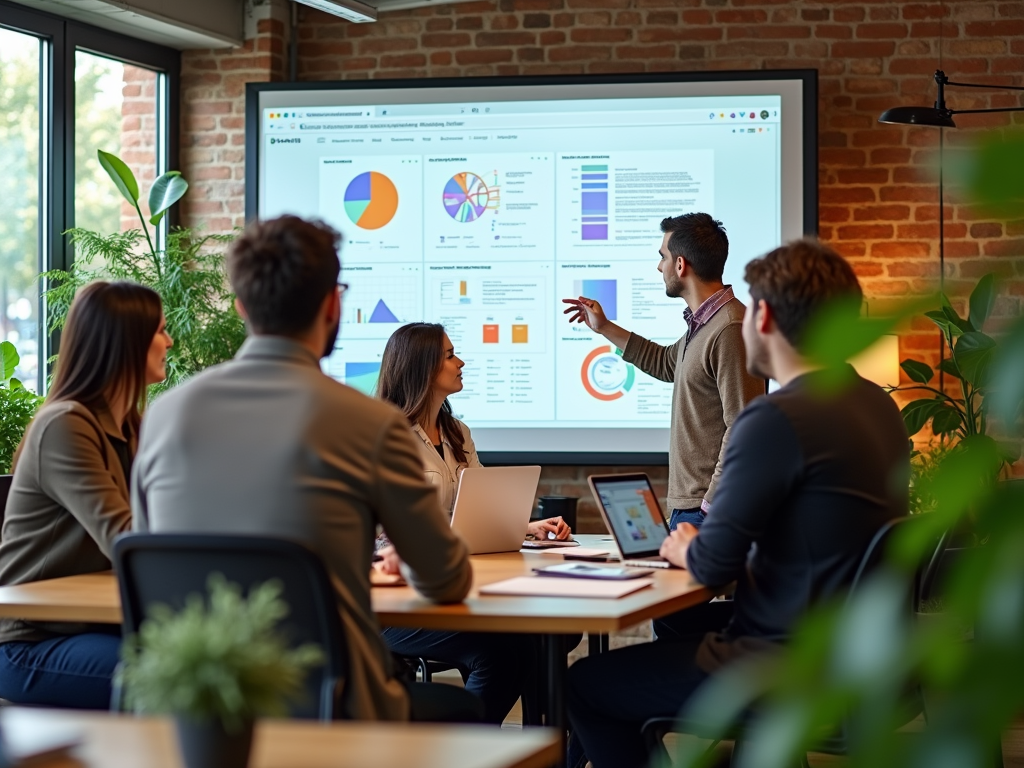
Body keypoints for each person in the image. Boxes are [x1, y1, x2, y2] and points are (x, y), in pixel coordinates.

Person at [565, 239, 910, 768]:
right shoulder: (877, 404)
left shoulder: (776, 419)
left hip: (781, 660)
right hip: (856, 650)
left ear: (764, 316)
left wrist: (684, 545)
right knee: (680, 629)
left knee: (585, 684)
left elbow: (713, 564)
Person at [132, 215, 478, 723]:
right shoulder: (371, 425)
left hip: (189, 709)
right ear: (332, 304)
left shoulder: (163, 416)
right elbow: (448, 580)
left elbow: (151, 557)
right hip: (329, 705)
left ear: (241, 306)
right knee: (466, 712)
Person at [374, 322, 570, 724]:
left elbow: (475, 509)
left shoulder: (457, 431)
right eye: (449, 355)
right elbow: (383, 533)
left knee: (540, 641)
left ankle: (542, 751)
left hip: (453, 589)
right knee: (500, 654)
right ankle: (465, 750)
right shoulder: (385, 437)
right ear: (423, 367)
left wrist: (524, 527)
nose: (460, 362)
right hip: (400, 604)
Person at [0, 281, 173, 709]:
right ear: (125, 342)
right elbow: (126, 538)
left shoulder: (131, 428)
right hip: (30, 643)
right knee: (182, 676)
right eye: (160, 331)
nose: (169, 341)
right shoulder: (65, 426)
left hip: (94, 625)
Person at [563, 213, 765, 531]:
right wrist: (604, 328)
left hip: (707, 512)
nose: (660, 266)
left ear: (681, 265)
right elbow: (664, 363)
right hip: (692, 510)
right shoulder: (704, 325)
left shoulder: (730, 327)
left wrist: (709, 507)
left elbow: (744, 427)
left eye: (663, 257)